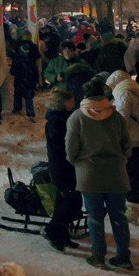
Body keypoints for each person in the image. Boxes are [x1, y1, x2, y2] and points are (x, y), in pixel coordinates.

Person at [65, 78, 132, 270]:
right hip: (116, 173)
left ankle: (98, 256)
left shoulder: (77, 117)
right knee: (119, 216)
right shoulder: (116, 116)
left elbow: (70, 150)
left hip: (89, 174)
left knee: (94, 217)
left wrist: (78, 162)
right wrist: (122, 157)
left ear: (84, 94)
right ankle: (123, 256)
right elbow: (127, 144)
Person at [111, 70, 139, 224]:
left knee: (131, 174)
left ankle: (132, 208)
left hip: (133, 141)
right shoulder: (137, 90)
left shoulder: (124, 94)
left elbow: (122, 119)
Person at [42, 88, 81, 252]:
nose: (74, 103)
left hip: (66, 165)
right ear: (63, 102)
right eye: (71, 100)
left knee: (66, 199)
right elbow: (62, 145)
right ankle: (53, 231)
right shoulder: (57, 121)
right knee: (68, 200)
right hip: (62, 166)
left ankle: (62, 234)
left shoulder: (62, 118)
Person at [10, 29, 41, 121]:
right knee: (28, 93)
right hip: (30, 72)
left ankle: (17, 108)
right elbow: (38, 57)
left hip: (19, 71)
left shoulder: (16, 45)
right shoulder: (34, 46)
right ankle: (30, 113)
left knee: (17, 92)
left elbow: (13, 57)